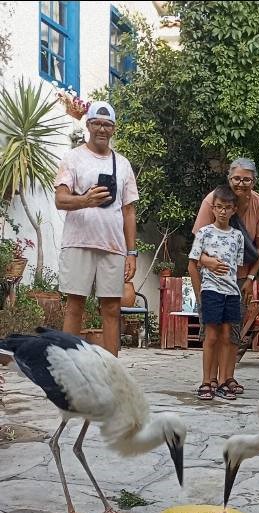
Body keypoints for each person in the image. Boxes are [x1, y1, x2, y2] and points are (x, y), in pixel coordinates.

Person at [54, 101, 139, 356]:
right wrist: (85, 200)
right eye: (97, 123)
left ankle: (112, 371)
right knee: (75, 306)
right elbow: (60, 200)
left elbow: (128, 210)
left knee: (112, 308)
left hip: (112, 246)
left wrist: (131, 253)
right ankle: (69, 368)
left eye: (108, 124)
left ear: (113, 129)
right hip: (78, 242)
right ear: (88, 125)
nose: (102, 129)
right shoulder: (73, 158)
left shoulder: (122, 164)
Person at [191, 157, 259, 394]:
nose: (241, 183)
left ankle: (228, 378)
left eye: (247, 179)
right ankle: (210, 379)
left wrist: (250, 280)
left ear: (254, 181)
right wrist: (206, 264)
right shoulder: (212, 200)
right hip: (211, 279)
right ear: (229, 179)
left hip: (239, 279)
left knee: (232, 330)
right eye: (236, 178)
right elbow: (198, 246)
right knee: (212, 330)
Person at [188, 185, 244, 400]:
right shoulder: (204, 232)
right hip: (211, 291)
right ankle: (205, 381)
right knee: (210, 335)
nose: (223, 211)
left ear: (234, 210)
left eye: (227, 207)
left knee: (227, 336)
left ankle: (222, 382)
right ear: (213, 208)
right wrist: (199, 292)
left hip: (231, 293)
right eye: (219, 207)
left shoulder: (238, 236)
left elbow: (237, 267)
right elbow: (193, 262)